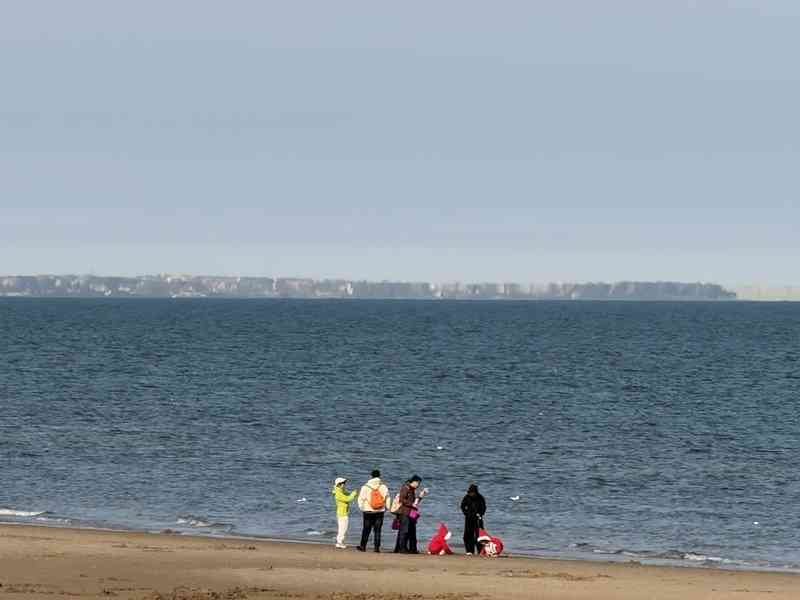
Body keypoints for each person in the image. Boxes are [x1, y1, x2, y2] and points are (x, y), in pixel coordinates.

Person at [356, 469, 390, 552]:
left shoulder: (365, 487)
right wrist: (387, 508)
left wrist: (362, 508)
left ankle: (363, 546)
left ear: (371, 476)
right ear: (379, 476)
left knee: (366, 529)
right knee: (377, 530)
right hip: (380, 511)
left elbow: (360, 499)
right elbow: (387, 498)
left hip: (368, 511)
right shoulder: (383, 486)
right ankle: (377, 548)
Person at [393, 474, 427, 554]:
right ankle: (402, 549)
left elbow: (415, 502)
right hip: (404, 512)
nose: (418, 485)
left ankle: (410, 548)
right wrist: (411, 504)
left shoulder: (412, 489)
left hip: (411, 513)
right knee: (404, 531)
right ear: (414, 482)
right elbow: (401, 500)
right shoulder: (406, 488)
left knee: (411, 531)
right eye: (418, 483)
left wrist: (421, 496)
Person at [460, 483, 486, 555]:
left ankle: (480, 551)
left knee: (479, 535)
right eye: (470, 493)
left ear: (475, 492)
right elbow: (462, 506)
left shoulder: (480, 498)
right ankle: (469, 551)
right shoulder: (467, 497)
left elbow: (484, 508)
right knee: (468, 535)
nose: (471, 494)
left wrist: (480, 514)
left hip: (478, 519)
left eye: (472, 493)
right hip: (469, 518)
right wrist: (466, 513)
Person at [331, 477, 357, 549]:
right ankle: (339, 542)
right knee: (343, 529)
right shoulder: (338, 493)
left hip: (342, 513)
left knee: (342, 528)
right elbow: (347, 499)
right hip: (342, 513)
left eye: (344, 483)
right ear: (339, 484)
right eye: (343, 483)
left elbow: (347, 494)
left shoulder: (340, 491)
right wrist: (353, 494)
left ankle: (339, 542)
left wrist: (352, 493)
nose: (344, 484)